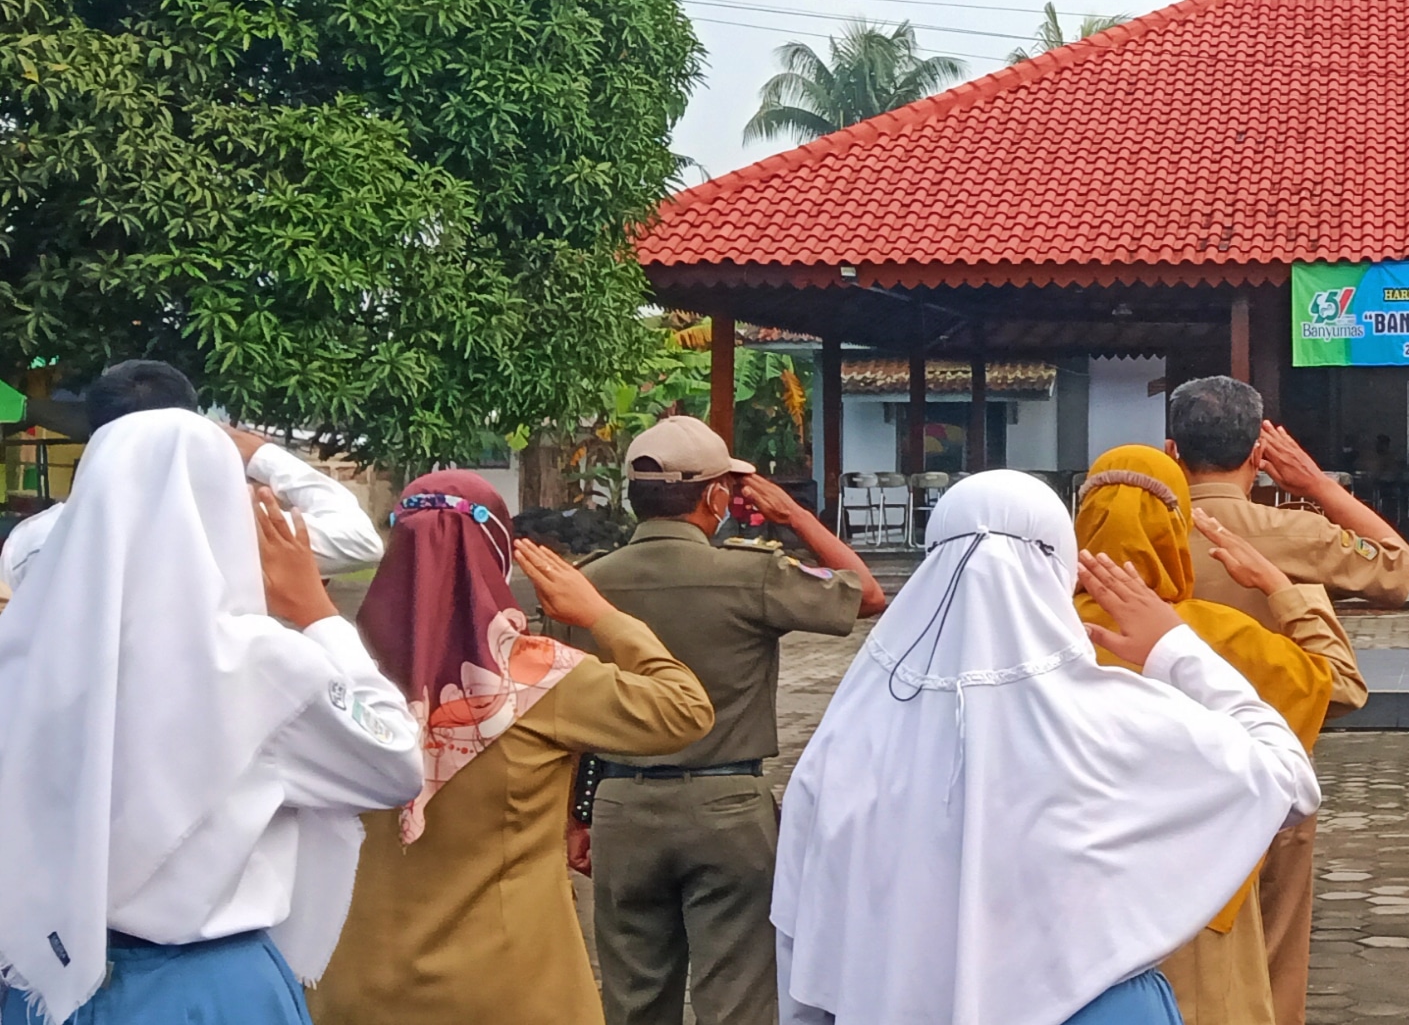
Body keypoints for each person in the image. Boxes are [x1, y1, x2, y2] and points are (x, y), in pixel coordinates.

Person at [773, 470, 1323, 1025]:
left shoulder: (842, 744)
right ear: (1059, 560)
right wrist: (1174, 647)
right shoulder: (1115, 716)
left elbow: (800, 955)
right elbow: (1289, 780)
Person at [0, 409, 424, 1025]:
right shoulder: (261, 663)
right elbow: (394, 763)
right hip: (206, 989)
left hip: (45, 981)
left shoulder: (23, 649)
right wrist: (317, 613)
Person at [308, 471, 715, 1025]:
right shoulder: (536, 675)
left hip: (356, 983)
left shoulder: (332, 673)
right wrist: (600, 615)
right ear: (495, 553)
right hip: (512, 984)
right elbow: (684, 709)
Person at [561, 417, 884, 1025]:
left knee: (631, 1001)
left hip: (621, 807)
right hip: (729, 810)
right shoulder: (751, 573)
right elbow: (866, 594)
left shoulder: (585, 584)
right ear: (714, 497)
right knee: (735, 997)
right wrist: (792, 516)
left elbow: (570, 713)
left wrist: (576, 815)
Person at [1073, 445, 1359, 1025]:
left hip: (1071, 914)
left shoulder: (1034, 632)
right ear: (1175, 527)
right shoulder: (1210, 634)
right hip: (1201, 907)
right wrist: (1281, 586)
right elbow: (1342, 686)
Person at [1165, 378, 1409, 1025]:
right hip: (1269, 771)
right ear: (1258, 455)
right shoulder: (1291, 531)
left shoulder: (1131, 538)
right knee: (1274, 959)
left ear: (1170, 450)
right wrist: (1319, 487)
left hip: (1157, 774)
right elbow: (1401, 567)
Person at [2, 360, 382, 587]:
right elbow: (360, 542)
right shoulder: (235, 531)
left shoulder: (35, 541)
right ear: (191, 426)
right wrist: (263, 455)